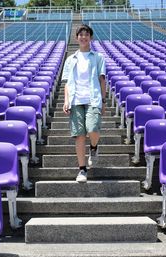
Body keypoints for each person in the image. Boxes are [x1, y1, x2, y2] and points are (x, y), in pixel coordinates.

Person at [61, 24, 106, 183]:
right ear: (77, 38)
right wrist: (66, 100)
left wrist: (103, 99)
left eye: (86, 34)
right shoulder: (70, 59)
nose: (84, 37)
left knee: (93, 129)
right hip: (75, 100)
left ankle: (94, 147)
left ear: (90, 38)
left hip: (93, 99)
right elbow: (66, 83)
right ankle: (82, 170)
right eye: (81, 34)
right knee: (79, 135)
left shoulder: (98, 57)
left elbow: (102, 79)